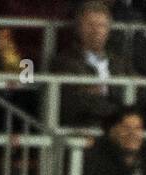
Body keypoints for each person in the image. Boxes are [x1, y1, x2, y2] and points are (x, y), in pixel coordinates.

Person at [48, 1, 135, 129]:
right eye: (90, 25)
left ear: (108, 30)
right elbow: (78, 102)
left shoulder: (121, 62)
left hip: (119, 130)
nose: (96, 30)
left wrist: (99, 92)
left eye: (101, 25)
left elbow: (139, 91)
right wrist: (119, 109)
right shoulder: (64, 62)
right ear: (78, 28)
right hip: (84, 129)